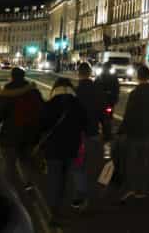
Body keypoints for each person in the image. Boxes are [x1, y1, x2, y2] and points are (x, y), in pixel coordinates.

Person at [39, 77, 87, 224]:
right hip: (71, 148)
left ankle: (53, 211)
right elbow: (85, 123)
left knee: (54, 178)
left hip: (53, 148)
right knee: (64, 179)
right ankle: (60, 207)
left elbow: (42, 125)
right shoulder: (77, 104)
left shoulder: (50, 104)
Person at [0, 67, 44, 191]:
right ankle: (28, 184)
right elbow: (42, 112)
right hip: (29, 134)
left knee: (10, 164)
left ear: (12, 76)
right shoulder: (34, 91)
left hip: (10, 134)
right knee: (25, 161)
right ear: (24, 76)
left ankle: (11, 189)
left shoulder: (7, 92)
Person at [117, 64, 149, 203]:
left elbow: (129, 115)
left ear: (138, 77)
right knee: (143, 162)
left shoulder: (135, 94)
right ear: (148, 76)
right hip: (146, 131)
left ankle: (133, 189)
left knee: (132, 162)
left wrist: (121, 130)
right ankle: (143, 189)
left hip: (134, 132)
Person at [74, 61, 105, 208]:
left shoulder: (76, 91)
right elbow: (103, 112)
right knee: (92, 165)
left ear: (79, 74)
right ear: (90, 73)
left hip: (79, 134)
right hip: (93, 132)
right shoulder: (97, 90)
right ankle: (91, 196)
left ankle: (81, 194)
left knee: (79, 166)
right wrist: (107, 131)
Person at [95, 62, 120, 138]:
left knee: (99, 116)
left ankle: (101, 131)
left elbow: (95, 88)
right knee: (109, 115)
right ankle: (108, 132)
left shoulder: (100, 77)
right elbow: (117, 89)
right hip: (110, 101)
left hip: (102, 101)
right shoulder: (114, 77)